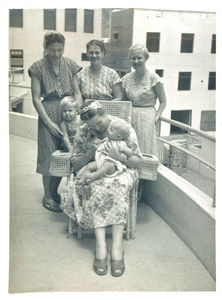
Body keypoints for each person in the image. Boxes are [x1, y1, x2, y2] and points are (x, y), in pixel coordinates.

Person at [60, 101, 142, 277]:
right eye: (91, 126)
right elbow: (74, 163)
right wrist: (92, 151)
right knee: (96, 186)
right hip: (94, 168)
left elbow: (137, 161)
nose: (96, 128)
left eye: (99, 123)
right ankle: (101, 246)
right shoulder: (84, 130)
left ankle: (117, 248)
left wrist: (118, 156)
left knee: (118, 186)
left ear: (105, 114)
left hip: (122, 169)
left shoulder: (121, 127)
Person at [28, 32, 82, 213]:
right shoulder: (37, 68)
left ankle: (54, 191)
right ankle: (47, 195)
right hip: (48, 111)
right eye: (52, 50)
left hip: (67, 111)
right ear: (45, 49)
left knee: (64, 154)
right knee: (48, 153)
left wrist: (77, 112)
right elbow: (36, 98)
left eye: (60, 50)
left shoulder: (70, 65)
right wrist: (49, 123)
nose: (57, 54)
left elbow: (76, 92)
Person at [122, 44, 167, 155]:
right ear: (129, 59)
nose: (136, 61)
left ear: (146, 58)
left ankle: (146, 170)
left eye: (139, 58)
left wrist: (156, 117)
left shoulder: (153, 78)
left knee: (146, 148)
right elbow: (123, 100)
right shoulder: (126, 78)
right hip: (130, 116)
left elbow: (163, 101)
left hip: (148, 117)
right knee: (130, 146)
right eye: (133, 58)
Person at [79, 119, 133, 183]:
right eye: (109, 128)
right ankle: (82, 179)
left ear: (118, 137)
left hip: (112, 166)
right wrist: (97, 143)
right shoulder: (107, 140)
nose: (108, 130)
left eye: (111, 130)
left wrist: (124, 149)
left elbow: (130, 153)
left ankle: (94, 176)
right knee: (90, 166)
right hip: (100, 162)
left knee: (107, 165)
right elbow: (99, 144)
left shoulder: (120, 143)